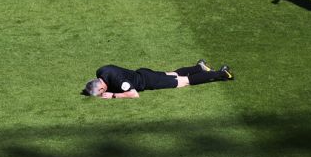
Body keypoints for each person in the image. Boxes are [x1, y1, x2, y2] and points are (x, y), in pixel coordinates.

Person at [82, 59, 233, 99]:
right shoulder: (101, 71)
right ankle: (199, 67)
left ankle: (221, 73)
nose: (102, 94)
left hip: (149, 81)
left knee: (183, 82)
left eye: (100, 93)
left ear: (102, 88)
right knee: (173, 74)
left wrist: (114, 95)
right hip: (142, 72)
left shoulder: (120, 83)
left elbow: (134, 94)